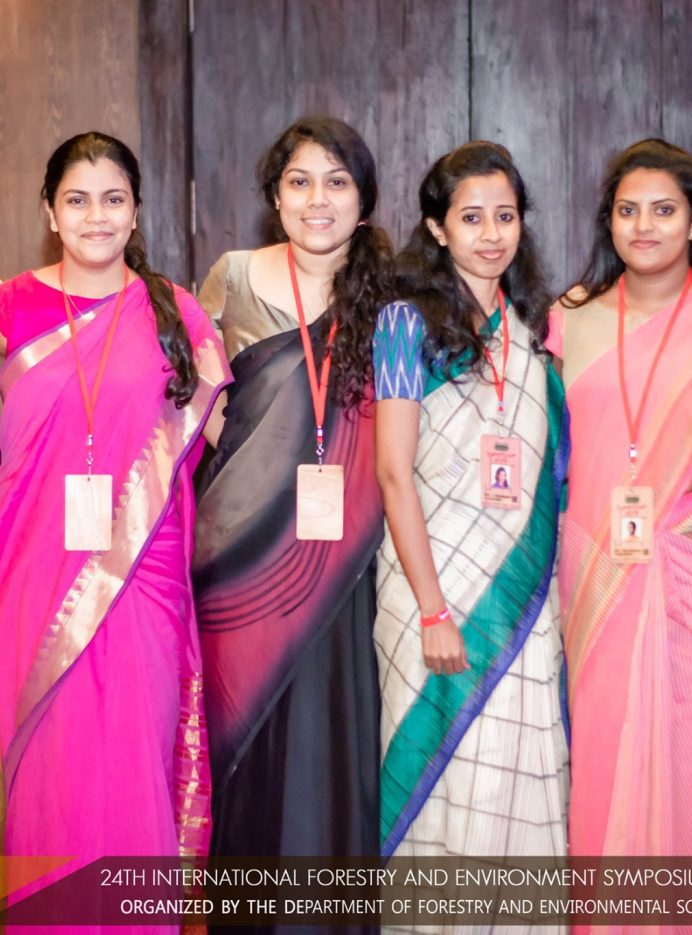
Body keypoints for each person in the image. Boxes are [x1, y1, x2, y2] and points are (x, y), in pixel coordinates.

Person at [0, 132, 231, 910]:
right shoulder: (10, 308)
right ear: (49, 212)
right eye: (77, 200)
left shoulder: (176, 314)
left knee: (132, 759)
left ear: (135, 211)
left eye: (113, 199)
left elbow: (231, 440)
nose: (96, 216)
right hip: (31, 572)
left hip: (142, 579)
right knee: (46, 770)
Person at [192, 117, 393, 877]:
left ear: (363, 201)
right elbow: (189, 390)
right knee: (244, 734)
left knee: (334, 737)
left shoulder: (389, 295)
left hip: (346, 556)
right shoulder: (234, 276)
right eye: (300, 182)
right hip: (240, 551)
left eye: (337, 183)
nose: (318, 199)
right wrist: (245, 460)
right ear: (275, 197)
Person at [373, 141, 569, 868]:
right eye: (472, 217)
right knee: (442, 779)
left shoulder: (534, 331)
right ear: (437, 227)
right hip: (429, 589)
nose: (492, 235)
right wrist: (432, 610)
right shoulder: (405, 325)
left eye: (506, 216)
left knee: (518, 776)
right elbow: (392, 473)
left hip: (520, 595)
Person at [548, 138, 692, 859]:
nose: (644, 226)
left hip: (686, 570)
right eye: (628, 210)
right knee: (602, 751)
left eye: (664, 210)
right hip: (590, 569)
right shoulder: (571, 318)